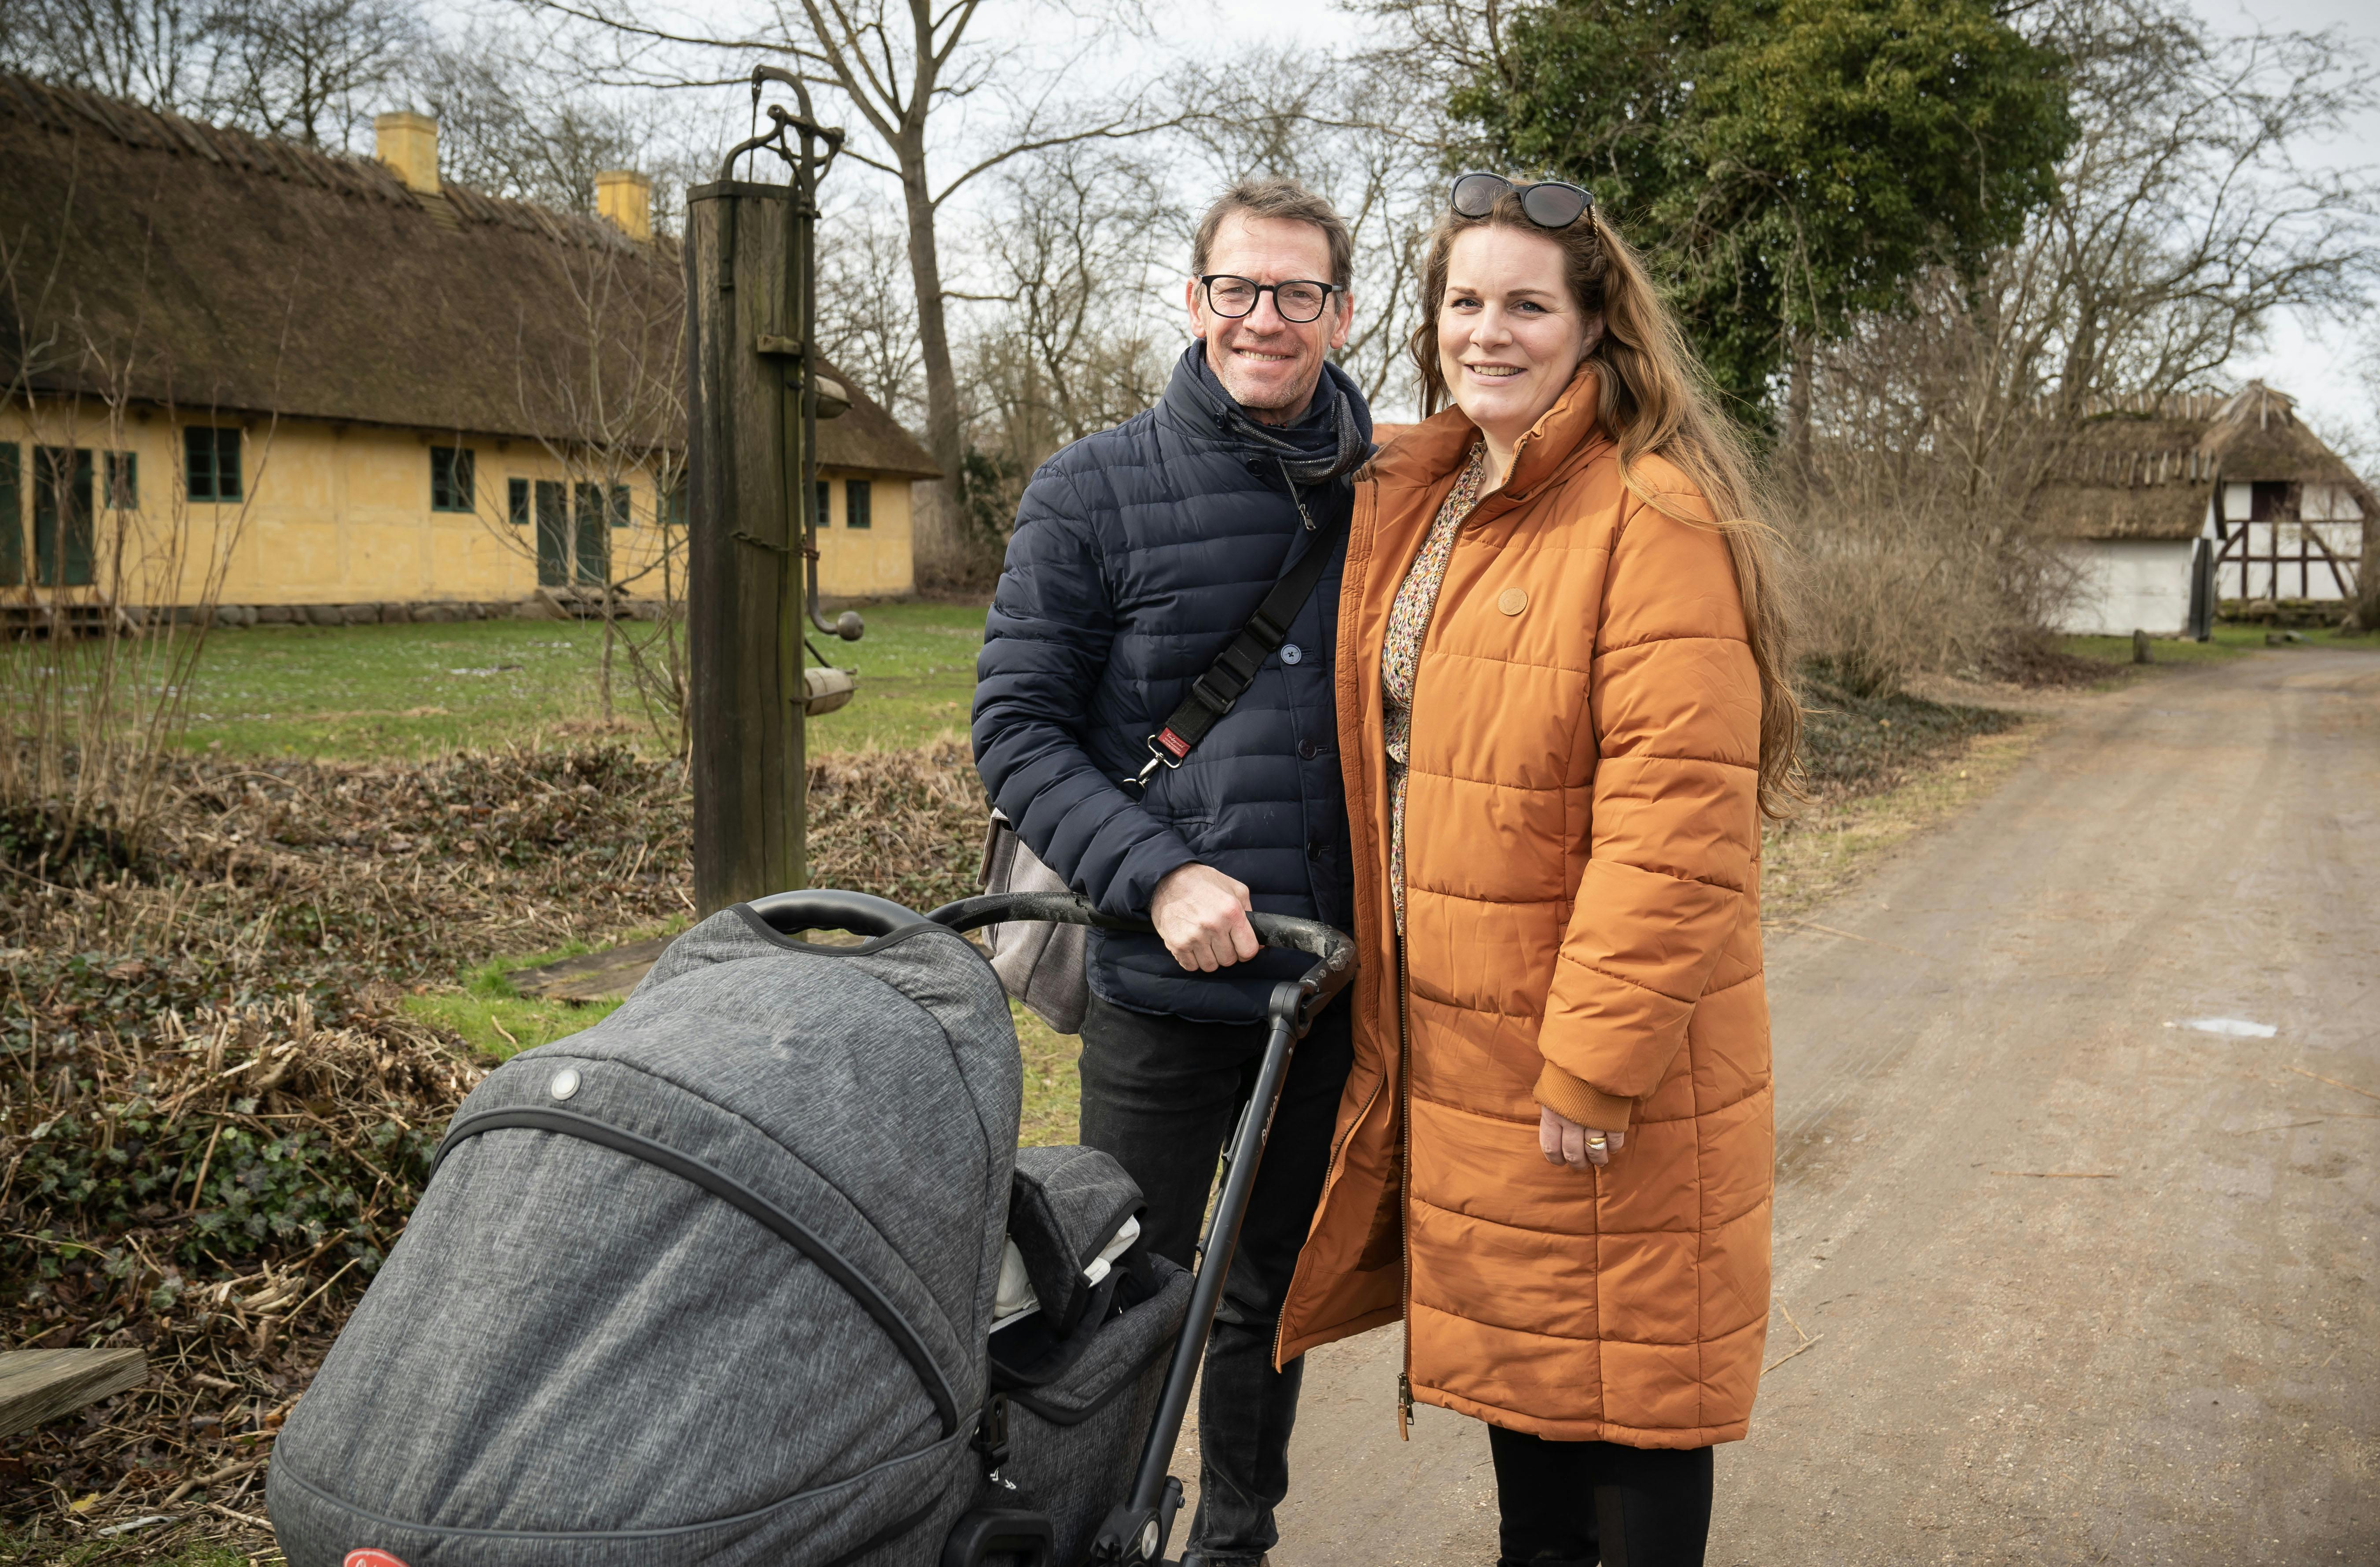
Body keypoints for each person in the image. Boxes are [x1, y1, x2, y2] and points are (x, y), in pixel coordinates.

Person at [1272, 173, 1802, 1567]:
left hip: (1590, 1064)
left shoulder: (1652, 513)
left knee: (1627, 1406)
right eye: (1464, 302)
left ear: (1593, 328)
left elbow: (1678, 821)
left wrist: (1598, 1058)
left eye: (1526, 304)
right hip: (1463, 1050)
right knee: (1535, 1415)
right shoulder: (1436, 493)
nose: (1488, 332)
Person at [971, 177, 1374, 1567]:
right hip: (1160, 980)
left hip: (1330, 985)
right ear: (1194, 299)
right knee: (1126, 1291)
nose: (1267, 319)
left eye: (1299, 293)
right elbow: (1013, 732)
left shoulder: (1395, 488)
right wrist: (1154, 876)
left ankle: (1238, 1540)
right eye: (1240, 290)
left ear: (1342, 308)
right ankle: (1097, 1532)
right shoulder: (1090, 487)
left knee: (1268, 1290)